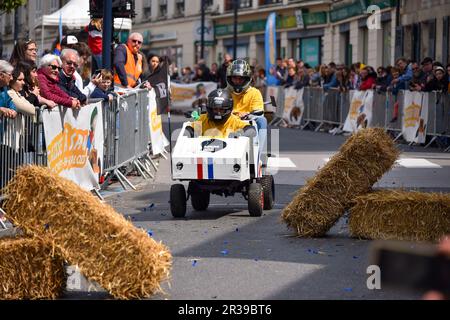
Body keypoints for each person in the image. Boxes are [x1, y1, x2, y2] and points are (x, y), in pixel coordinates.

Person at [226, 59, 267, 153]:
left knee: (262, 120)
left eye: (241, 78)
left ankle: (258, 154)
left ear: (247, 79)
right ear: (229, 78)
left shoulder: (255, 93)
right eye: (235, 78)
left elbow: (258, 112)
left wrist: (247, 114)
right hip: (228, 121)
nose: (237, 81)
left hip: (248, 121)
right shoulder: (225, 92)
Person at [186, 88, 256, 139]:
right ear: (210, 108)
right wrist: (190, 132)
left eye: (221, 110)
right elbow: (189, 129)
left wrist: (239, 134)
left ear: (228, 109)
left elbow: (251, 130)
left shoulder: (234, 121)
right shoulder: (202, 119)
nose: (218, 112)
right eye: (215, 109)